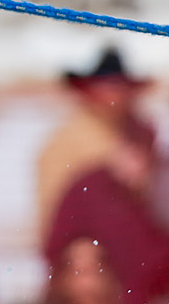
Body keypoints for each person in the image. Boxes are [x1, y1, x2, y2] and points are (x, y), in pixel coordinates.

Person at [35, 48, 154, 245]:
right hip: (87, 244)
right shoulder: (65, 141)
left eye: (119, 86)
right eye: (106, 86)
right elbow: (51, 207)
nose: (113, 95)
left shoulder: (142, 131)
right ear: (88, 90)